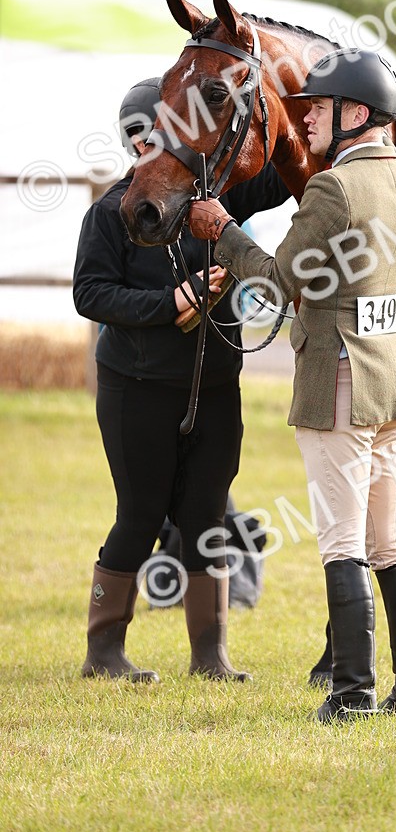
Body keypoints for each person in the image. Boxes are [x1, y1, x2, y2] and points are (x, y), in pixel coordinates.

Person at [187, 49, 396, 720]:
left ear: (358, 114)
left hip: (341, 377)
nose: (309, 120)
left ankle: (352, 695)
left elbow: (276, 282)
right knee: (389, 540)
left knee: (342, 541)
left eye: (321, 108)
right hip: (391, 377)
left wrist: (224, 232)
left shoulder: (333, 189)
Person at [73, 76, 291, 684]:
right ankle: (104, 653)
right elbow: (90, 294)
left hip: (217, 386)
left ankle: (210, 657)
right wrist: (171, 302)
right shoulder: (109, 213)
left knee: (206, 518)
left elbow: (275, 172)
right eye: (151, 138)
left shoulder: (216, 204)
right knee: (139, 516)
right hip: (135, 389)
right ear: (135, 141)